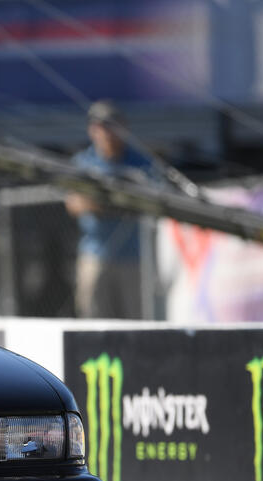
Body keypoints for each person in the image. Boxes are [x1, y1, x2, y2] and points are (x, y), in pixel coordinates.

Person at [64, 100, 155, 318]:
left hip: (133, 258)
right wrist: (116, 203)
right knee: (94, 320)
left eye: (111, 125)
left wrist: (101, 202)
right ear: (91, 130)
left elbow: (150, 200)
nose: (106, 132)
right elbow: (74, 204)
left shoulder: (140, 162)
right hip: (95, 255)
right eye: (99, 126)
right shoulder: (82, 162)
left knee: (135, 320)